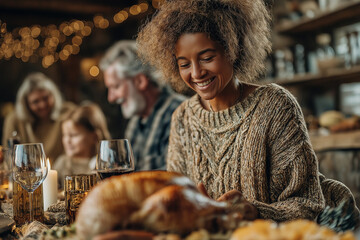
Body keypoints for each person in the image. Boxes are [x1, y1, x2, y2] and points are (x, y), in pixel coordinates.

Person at [137, 0, 359, 229]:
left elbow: (307, 205)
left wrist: (255, 212)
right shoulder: (182, 118)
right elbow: (179, 205)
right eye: (184, 64)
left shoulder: (275, 106)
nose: (196, 73)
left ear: (233, 49)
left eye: (206, 58)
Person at [99, 40, 186, 170]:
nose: (111, 98)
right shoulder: (135, 122)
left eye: (116, 87)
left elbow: (173, 177)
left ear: (140, 81)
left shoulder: (180, 113)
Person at [2, 72, 75, 162]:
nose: (42, 105)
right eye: (35, 101)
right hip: (27, 174)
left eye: (45, 98)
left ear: (53, 95)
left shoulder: (69, 112)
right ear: (26, 104)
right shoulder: (14, 120)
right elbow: (9, 155)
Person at [54, 103, 110, 188]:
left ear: (94, 137)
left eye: (73, 135)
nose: (67, 140)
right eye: (64, 135)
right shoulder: (62, 163)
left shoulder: (105, 167)